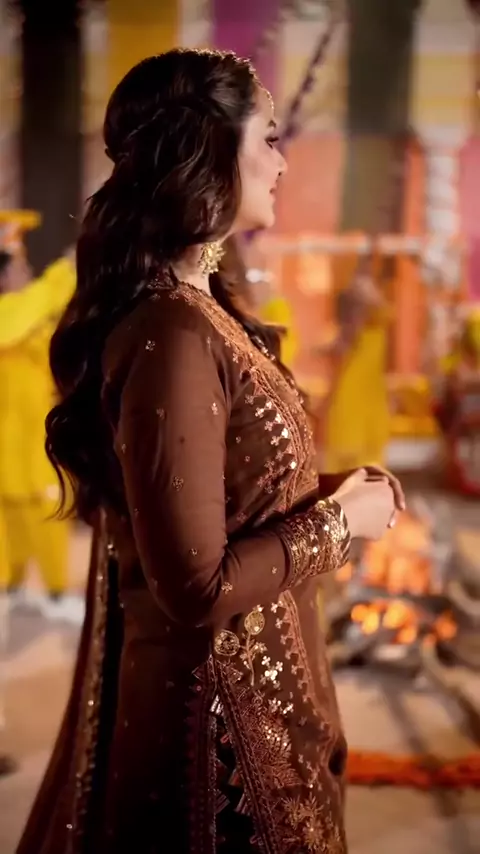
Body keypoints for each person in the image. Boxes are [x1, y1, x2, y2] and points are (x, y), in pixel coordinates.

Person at [17, 49, 404, 854]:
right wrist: (340, 524)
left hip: (265, 705)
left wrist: (333, 489)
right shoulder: (173, 332)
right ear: (211, 150)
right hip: (219, 746)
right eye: (269, 138)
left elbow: (220, 492)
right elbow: (197, 586)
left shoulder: (203, 311)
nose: (282, 162)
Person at [0, 249, 80, 621]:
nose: (28, 273)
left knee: (48, 517)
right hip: (10, 449)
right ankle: (12, 587)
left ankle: (55, 591)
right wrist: (62, 269)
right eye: (21, 268)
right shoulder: (12, 316)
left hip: (35, 445)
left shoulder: (32, 316)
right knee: (10, 523)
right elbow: (26, 310)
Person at [322, 255, 391, 472]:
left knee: (355, 453)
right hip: (358, 392)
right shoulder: (366, 316)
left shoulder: (372, 312)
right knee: (353, 454)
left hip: (362, 392)